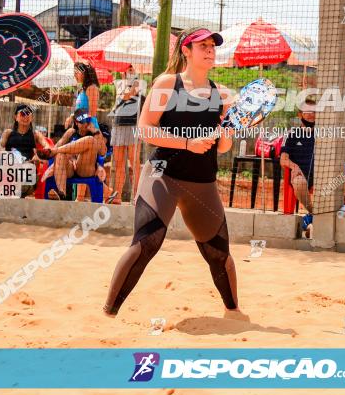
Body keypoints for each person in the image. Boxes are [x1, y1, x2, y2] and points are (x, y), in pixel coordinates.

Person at [103, 27, 244, 319]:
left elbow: (222, 147)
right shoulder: (168, 84)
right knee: (147, 243)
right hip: (162, 175)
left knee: (218, 255)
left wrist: (229, 130)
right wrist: (187, 143)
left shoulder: (222, 94)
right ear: (186, 51)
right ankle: (107, 315)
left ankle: (235, 314)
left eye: (212, 46)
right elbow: (144, 128)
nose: (209, 50)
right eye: (202, 45)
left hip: (202, 183)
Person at [42, 109, 111, 201]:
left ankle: (60, 152)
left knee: (89, 140)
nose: (86, 124)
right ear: (76, 122)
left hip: (85, 169)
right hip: (70, 168)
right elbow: (54, 149)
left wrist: (96, 131)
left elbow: (103, 153)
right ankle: (61, 193)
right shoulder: (71, 132)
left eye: (87, 120)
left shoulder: (95, 133)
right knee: (59, 155)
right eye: (82, 122)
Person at [0, 104, 52, 197]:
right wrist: (7, 155)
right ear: (15, 117)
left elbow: (47, 145)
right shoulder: (8, 132)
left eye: (28, 114)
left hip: (27, 166)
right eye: (22, 114)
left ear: (32, 118)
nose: (25, 117)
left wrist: (38, 155)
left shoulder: (35, 134)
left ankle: (17, 192)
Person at [279, 99, 316, 238]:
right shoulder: (291, 134)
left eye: (314, 112)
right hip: (300, 176)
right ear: (300, 114)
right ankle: (316, 213)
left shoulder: (325, 135)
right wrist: (294, 166)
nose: (311, 115)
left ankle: (314, 218)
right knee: (300, 182)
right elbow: (283, 159)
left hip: (321, 177)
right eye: (307, 111)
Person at [108, 66, 142, 204]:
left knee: (134, 163)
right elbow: (120, 99)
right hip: (118, 125)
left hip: (133, 125)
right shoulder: (119, 82)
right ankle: (117, 196)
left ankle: (137, 196)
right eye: (126, 68)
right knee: (119, 163)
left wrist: (130, 79)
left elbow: (127, 95)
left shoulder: (138, 83)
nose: (128, 70)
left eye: (131, 68)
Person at [74, 61, 101, 130]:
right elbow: (80, 111)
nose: (74, 75)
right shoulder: (83, 89)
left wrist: (83, 124)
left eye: (76, 72)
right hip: (81, 127)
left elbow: (92, 113)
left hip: (89, 128)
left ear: (85, 72)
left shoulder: (92, 88)